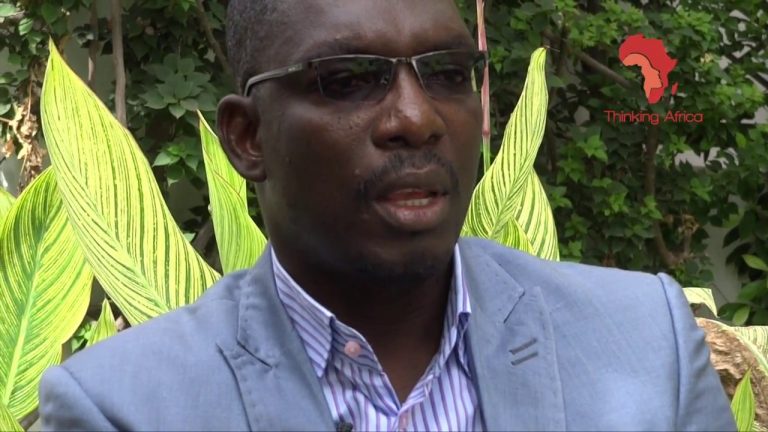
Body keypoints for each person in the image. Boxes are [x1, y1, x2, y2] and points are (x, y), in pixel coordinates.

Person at [39, 0, 736, 430]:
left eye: (448, 74)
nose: (416, 118)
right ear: (248, 138)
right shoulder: (121, 408)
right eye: (348, 80)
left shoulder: (645, 346)